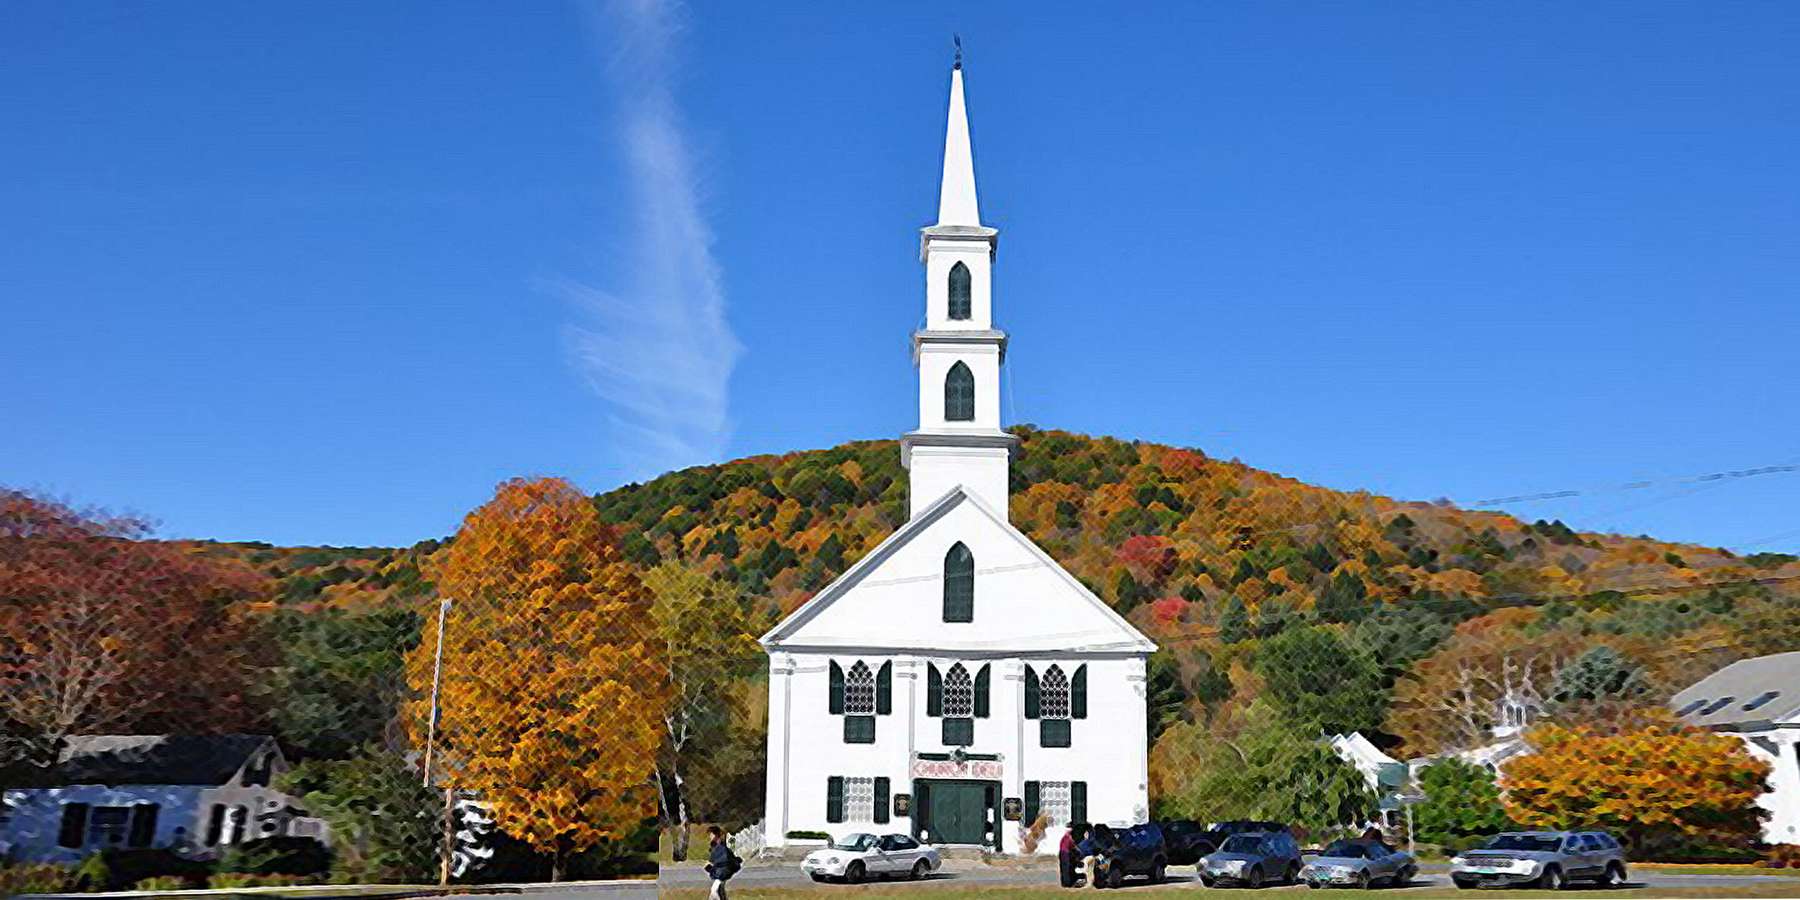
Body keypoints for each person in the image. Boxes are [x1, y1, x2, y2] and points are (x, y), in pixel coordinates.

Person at [704, 825, 739, 900]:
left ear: (715, 835)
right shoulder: (715, 845)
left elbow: (723, 859)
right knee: (719, 890)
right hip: (720, 873)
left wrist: (712, 865)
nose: (710, 836)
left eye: (711, 834)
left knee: (714, 891)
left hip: (722, 873)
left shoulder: (722, 846)